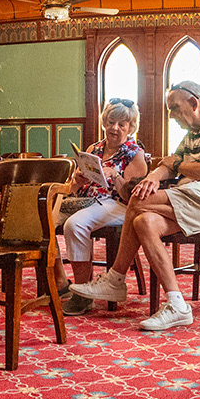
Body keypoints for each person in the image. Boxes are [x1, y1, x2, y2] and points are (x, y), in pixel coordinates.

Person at [68, 80, 200, 331]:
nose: (172, 116)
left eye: (175, 109)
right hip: (196, 199)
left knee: (138, 199)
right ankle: (177, 304)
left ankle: (115, 279)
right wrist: (153, 178)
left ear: (193, 102)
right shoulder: (192, 135)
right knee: (144, 221)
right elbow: (165, 164)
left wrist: (173, 166)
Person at [57, 99, 149, 317]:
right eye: (110, 122)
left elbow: (132, 198)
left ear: (131, 127)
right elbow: (73, 188)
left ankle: (82, 293)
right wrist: (78, 180)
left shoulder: (135, 153)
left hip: (117, 204)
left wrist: (115, 176)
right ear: (104, 122)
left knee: (75, 225)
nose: (114, 128)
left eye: (122, 124)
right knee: (42, 220)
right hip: (86, 202)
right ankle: (58, 280)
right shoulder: (93, 149)